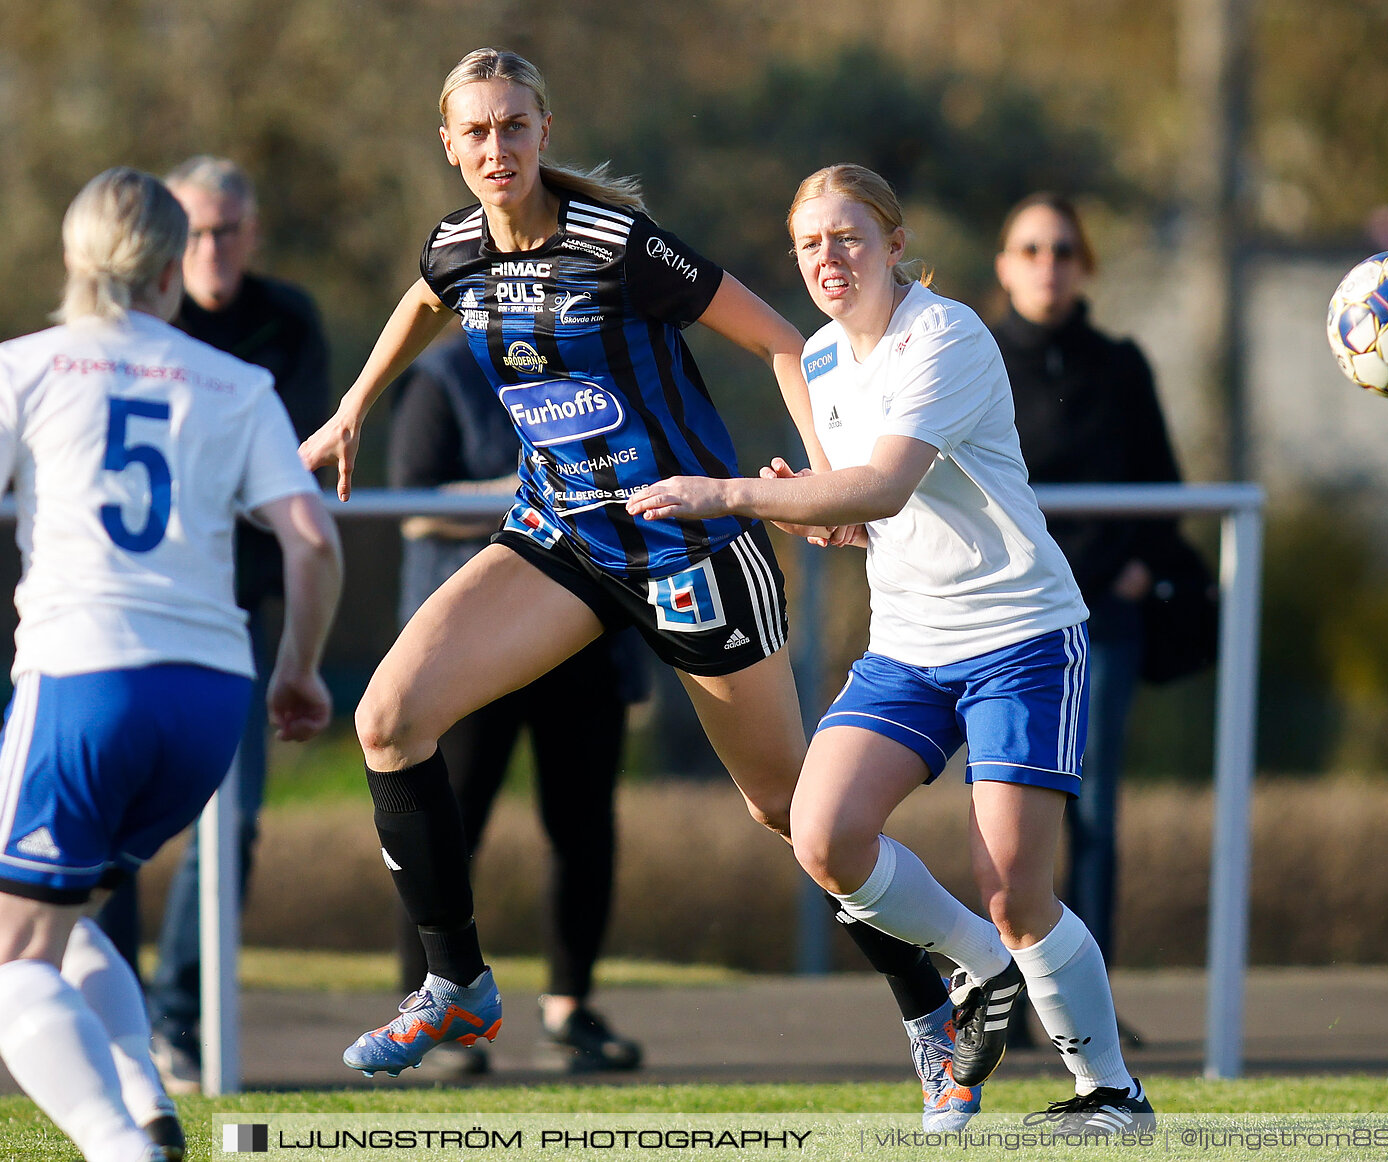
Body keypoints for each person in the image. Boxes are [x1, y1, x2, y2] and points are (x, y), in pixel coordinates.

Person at [299, 49, 973, 1128]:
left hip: (688, 546)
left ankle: (933, 1012)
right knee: (388, 718)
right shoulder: (460, 246)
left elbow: (780, 341)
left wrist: (831, 472)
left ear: (545, 130)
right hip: (559, 536)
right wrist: (352, 410)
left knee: (795, 815)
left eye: (513, 127)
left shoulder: (617, 245)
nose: (496, 149)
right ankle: (458, 987)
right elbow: (426, 297)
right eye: (475, 133)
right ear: (449, 145)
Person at [627, 163, 1154, 1132]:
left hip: (1020, 636)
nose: (829, 256)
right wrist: (810, 508)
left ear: (895, 243)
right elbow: (860, 514)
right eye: (811, 242)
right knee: (819, 831)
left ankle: (1111, 1092)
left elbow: (879, 487)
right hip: (909, 642)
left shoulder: (945, 335)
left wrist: (733, 492)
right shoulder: (823, 358)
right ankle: (982, 971)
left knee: (1017, 892)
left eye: (850, 235)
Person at [0, 168, 341, 1162]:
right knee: (62, 918)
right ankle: (148, 1102)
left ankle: (119, 1145)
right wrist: (301, 672)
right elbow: (312, 542)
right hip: (208, 699)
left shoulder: (23, 365)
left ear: (73, 260)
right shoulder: (236, 383)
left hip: (86, 681)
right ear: (169, 273)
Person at [92, 155, 333, 1095]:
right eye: (192, 231)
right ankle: (109, 1018)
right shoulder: (125, 326)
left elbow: (298, 476)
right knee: (105, 824)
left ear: (253, 232)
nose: (210, 248)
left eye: (227, 229)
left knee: (229, 821)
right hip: (128, 612)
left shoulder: (285, 323)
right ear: (162, 246)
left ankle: (176, 1021)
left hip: (234, 615)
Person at [386, 330, 646, 1074]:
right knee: (446, 828)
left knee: (582, 828)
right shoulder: (441, 376)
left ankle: (571, 1008)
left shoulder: (597, 369)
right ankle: (436, 1007)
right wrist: (535, 488)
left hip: (585, 640)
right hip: (471, 647)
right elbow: (411, 504)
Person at [991, 194, 1181, 1043]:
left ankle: (1086, 1010)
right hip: (997, 622)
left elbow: (1164, 489)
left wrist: (1138, 566)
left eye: (1063, 249)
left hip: (1100, 618)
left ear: (1084, 264)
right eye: (1030, 248)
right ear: (1004, 264)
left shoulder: (1120, 365)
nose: (1047, 264)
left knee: (1091, 809)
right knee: (1000, 814)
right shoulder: (975, 355)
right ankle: (1011, 1000)